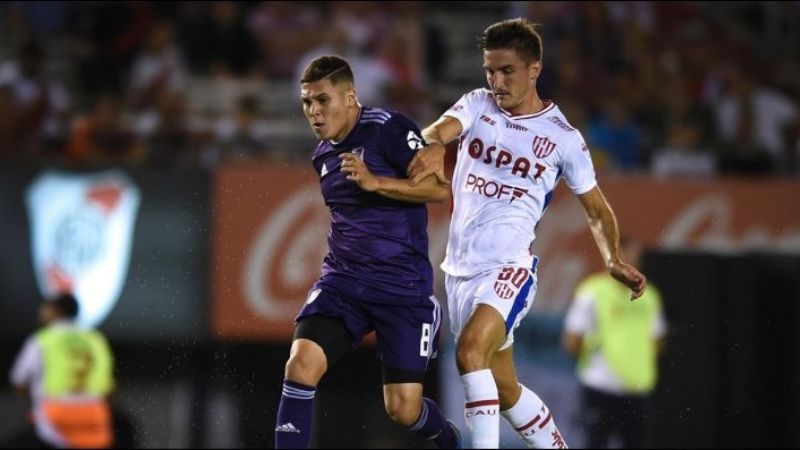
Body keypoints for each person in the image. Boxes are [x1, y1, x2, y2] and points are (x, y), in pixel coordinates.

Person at [406, 18, 648, 449]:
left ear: (534, 69)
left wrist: (612, 258)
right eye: (490, 71)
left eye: (506, 71)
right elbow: (438, 131)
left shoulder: (562, 138)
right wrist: (434, 144)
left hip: (509, 268)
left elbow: (595, 207)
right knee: (503, 386)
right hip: (459, 270)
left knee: (469, 354)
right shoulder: (477, 104)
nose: (496, 82)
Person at [274, 55, 459, 449]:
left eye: (323, 100)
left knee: (403, 409)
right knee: (300, 366)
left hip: (402, 289)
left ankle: (451, 440)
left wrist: (376, 183)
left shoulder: (388, 129)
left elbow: (438, 190)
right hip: (344, 284)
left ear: (350, 97)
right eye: (307, 102)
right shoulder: (322, 155)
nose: (314, 111)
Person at [562, 237, 666, 448]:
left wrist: (633, 360)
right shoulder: (592, 290)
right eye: (626, 258)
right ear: (612, 260)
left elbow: (658, 342)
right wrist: (599, 359)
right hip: (601, 388)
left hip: (638, 390)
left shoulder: (651, 296)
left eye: (635, 259)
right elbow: (572, 341)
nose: (632, 265)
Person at [9, 293, 115, 449]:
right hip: (94, 415)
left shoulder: (42, 340)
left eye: (46, 307)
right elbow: (108, 387)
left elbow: (18, 381)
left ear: (54, 310)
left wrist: (35, 402)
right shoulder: (96, 340)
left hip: (56, 415)